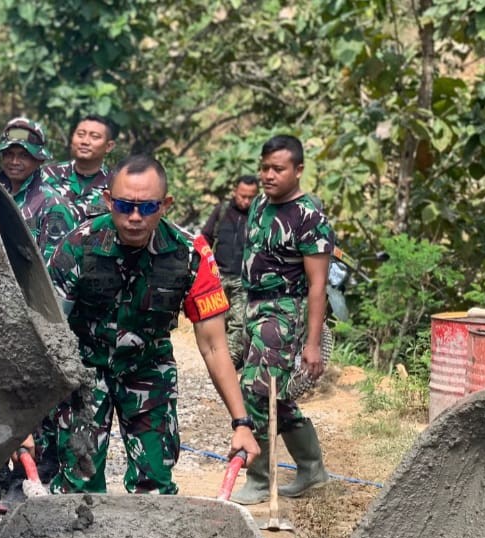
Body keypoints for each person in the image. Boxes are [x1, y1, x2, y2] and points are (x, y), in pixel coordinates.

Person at [46, 154, 259, 494]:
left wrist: (241, 422)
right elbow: (47, 334)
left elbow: (214, 345)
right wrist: (21, 425)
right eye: (124, 206)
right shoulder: (78, 246)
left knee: (155, 483)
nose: (134, 217)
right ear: (108, 201)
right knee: (79, 483)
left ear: (165, 205)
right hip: (84, 370)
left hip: (148, 368)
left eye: (146, 207)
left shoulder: (190, 254)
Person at [231, 135, 333, 504]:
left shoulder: (309, 217)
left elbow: (317, 285)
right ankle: (312, 469)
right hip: (253, 307)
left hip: (284, 312)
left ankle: (259, 479)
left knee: (257, 391)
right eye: (264, 168)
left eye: (278, 169)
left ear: (298, 170)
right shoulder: (259, 204)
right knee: (277, 394)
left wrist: (312, 343)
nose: (268, 175)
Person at [0, 117, 75, 262]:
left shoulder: (52, 205)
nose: (14, 162)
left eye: (24, 155)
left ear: (39, 159)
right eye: (9, 154)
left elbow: (53, 265)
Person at [198, 175, 260, 368]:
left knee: (238, 324)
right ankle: (217, 359)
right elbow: (205, 238)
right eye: (243, 196)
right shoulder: (222, 211)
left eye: (251, 197)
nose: (246, 201)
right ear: (235, 192)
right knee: (215, 321)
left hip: (243, 279)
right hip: (218, 277)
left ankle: (229, 365)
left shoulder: (259, 217)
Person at [42, 114, 117, 221]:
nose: (85, 142)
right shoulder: (46, 175)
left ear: (109, 146)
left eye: (94, 137)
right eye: (80, 135)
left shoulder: (115, 185)